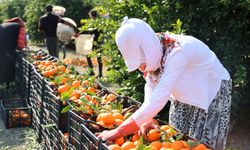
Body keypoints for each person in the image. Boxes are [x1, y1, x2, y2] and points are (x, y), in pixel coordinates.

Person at [97, 17, 231, 150]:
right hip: (183, 94)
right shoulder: (156, 50)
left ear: (147, 49)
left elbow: (158, 99)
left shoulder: (179, 51)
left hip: (210, 92)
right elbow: (151, 86)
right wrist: (146, 118)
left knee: (200, 146)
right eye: (138, 64)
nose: (142, 68)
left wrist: (118, 132)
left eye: (142, 62)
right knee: (175, 140)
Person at [0, 17, 27, 84]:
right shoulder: (20, 27)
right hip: (7, 46)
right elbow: (20, 44)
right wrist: (22, 50)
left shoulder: (4, 24)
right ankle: (8, 84)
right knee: (9, 63)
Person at [82, 9, 103, 77]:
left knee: (91, 57)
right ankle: (98, 73)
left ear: (91, 15)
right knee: (97, 57)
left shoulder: (94, 23)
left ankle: (95, 73)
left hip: (95, 42)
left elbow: (91, 31)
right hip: (96, 42)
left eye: (90, 15)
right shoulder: (99, 22)